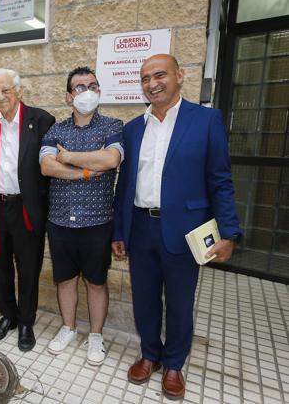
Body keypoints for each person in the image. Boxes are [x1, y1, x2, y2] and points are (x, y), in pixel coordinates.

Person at [112, 54, 241, 400]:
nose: (152, 83)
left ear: (179, 76)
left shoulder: (206, 120)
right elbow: (125, 185)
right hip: (140, 227)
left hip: (184, 231)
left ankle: (173, 364)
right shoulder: (133, 128)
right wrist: (119, 232)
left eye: (159, 75)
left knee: (181, 302)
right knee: (145, 299)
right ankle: (150, 354)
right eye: (144, 78)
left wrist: (229, 233)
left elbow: (220, 181)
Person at [39, 67, 123, 364]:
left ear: (99, 90)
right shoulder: (56, 130)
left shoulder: (112, 125)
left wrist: (69, 157)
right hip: (60, 221)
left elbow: (111, 159)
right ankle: (68, 327)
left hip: (98, 222)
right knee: (65, 280)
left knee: (96, 282)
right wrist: (88, 170)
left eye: (92, 85)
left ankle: (96, 335)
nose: (86, 91)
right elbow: (47, 166)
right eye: (79, 87)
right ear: (68, 95)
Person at [0, 68, 55, 351]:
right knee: (0, 266)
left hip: (27, 207)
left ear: (19, 91)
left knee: (28, 267)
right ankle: (7, 315)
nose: (1, 97)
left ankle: (25, 322)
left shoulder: (41, 119)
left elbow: (49, 165)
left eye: (6, 90)